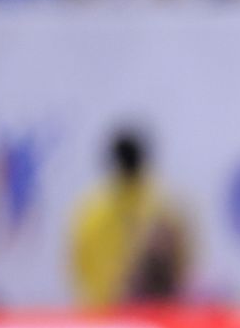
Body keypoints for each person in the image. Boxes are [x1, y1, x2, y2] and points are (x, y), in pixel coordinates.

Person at [66, 127, 192, 309]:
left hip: (111, 313)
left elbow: (77, 261)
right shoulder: (164, 205)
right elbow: (184, 260)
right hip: (147, 313)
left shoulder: (91, 209)